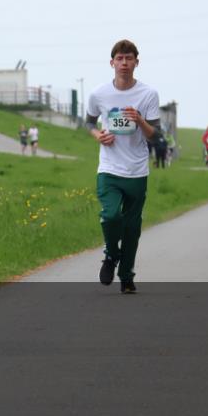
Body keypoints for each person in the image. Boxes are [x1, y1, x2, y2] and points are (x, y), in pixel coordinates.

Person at [85, 39, 162, 294]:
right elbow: (88, 123)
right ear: (112, 63)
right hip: (109, 168)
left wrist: (139, 119)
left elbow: (154, 135)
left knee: (131, 228)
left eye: (129, 59)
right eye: (120, 59)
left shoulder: (148, 94)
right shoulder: (99, 94)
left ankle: (127, 276)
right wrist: (98, 136)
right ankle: (110, 254)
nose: (124, 63)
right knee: (110, 215)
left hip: (137, 171)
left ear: (136, 63)